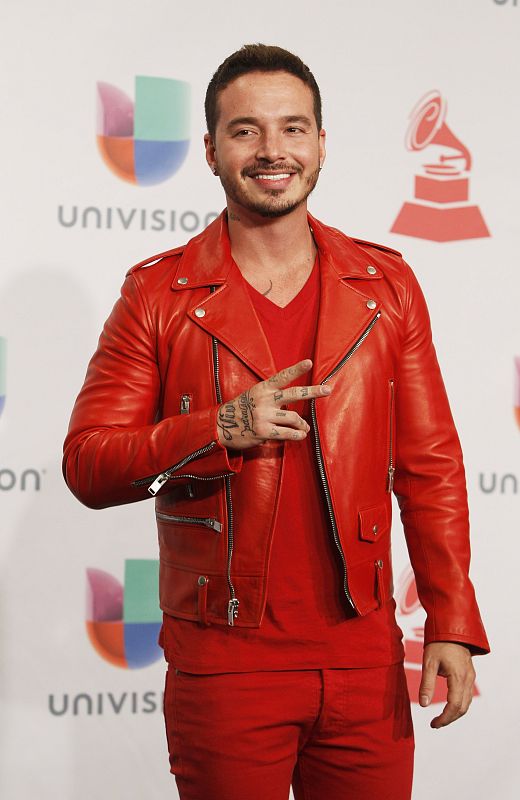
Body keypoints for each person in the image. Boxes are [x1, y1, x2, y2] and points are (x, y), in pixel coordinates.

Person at [63, 44, 489, 800]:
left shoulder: (385, 285)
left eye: (293, 129)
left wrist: (452, 618)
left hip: (363, 664)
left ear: (322, 144)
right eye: (246, 131)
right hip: (225, 666)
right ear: (210, 151)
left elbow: (430, 465)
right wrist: (216, 429)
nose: (272, 151)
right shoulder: (157, 294)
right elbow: (90, 463)